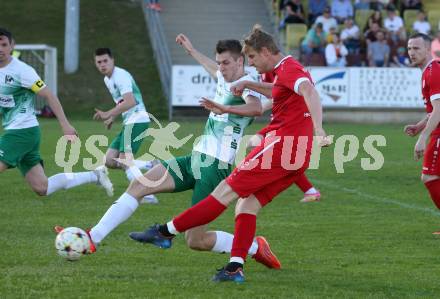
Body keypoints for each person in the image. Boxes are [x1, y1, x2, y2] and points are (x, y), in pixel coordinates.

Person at [56, 34, 282, 269]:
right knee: (140, 185)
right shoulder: (224, 76)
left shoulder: (248, 83)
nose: (221, 68)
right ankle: (93, 238)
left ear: (240, 62)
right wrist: (192, 50)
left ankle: (255, 248)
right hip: (195, 159)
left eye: (226, 63)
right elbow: (211, 67)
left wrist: (223, 107)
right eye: (220, 62)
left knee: (196, 240)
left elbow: (256, 108)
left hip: (215, 167)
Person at [129, 25, 328, 283]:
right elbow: (280, 90)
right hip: (297, 155)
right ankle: (235, 268)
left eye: (254, 58)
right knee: (247, 204)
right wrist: (249, 82)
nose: (252, 64)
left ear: (267, 52)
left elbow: (310, 92)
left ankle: (165, 232)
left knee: (224, 191)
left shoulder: (290, 69)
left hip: (280, 147)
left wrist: (319, 128)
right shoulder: (282, 73)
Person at [0, 28, 113, 197]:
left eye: (4, 44)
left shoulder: (22, 71)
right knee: (42, 187)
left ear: (12, 46)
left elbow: (48, 95)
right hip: (20, 132)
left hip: (22, 133)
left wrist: (65, 124)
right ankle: (94, 175)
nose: (1, 49)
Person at [93, 48, 157, 204]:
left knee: (124, 160)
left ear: (112, 60)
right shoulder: (107, 80)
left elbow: (131, 101)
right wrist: (113, 116)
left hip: (138, 119)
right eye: (99, 62)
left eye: (105, 61)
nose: (102, 65)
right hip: (129, 120)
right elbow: (121, 102)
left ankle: (146, 194)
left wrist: (108, 113)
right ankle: (150, 164)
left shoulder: (120, 76)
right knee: (109, 160)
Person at [404, 33, 440, 234]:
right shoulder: (429, 71)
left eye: (417, 48)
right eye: (409, 48)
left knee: (429, 177)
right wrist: (420, 125)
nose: (412, 53)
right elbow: (434, 110)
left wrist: (422, 137)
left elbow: (439, 109)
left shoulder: (433, 71)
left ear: (428, 49)